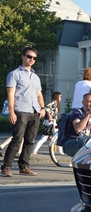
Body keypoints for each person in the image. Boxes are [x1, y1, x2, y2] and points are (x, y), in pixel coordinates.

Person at [1, 47, 46, 177]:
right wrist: (11, 112)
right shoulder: (14, 74)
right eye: (29, 56)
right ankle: (6, 167)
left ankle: (24, 166)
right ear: (23, 56)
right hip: (20, 110)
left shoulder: (36, 77)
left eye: (34, 58)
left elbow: (39, 94)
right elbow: (10, 94)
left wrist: (42, 108)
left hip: (34, 111)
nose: (31, 59)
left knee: (30, 141)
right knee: (17, 140)